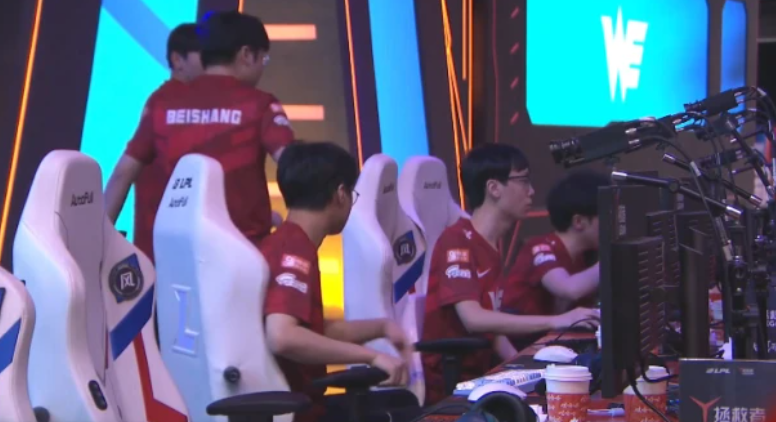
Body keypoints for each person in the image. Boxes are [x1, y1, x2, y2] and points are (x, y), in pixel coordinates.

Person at [420, 144, 600, 405]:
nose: (532, 191)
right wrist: (558, 320)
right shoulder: (457, 241)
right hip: (453, 390)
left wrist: (525, 370)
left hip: (484, 378)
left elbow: (494, 333)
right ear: (494, 188)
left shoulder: (491, 245)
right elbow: (474, 319)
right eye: (523, 180)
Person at [104, 11, 293, 254]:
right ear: (246, 54)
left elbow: (122, 174)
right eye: (263, 59)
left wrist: (96, 242)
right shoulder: (260, 105)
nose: (262, 68)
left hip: (168, 256)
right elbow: (293, 166)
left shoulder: (162, 105)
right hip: (240, 256)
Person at [262, 141, 413, 422]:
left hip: (303, 403)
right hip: (298, 412)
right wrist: (370, 357)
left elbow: (315, 329)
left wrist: (382, 327)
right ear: (341, 194)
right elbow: (282, 336)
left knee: (402, 401)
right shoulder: (293, 250)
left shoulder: (285, 242)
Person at [105, 23, 203, 260]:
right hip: (168, 248)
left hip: (167, 247)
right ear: (177, 60)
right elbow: (123, 173)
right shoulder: (168, 103)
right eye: (205, 56)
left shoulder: (160, 101)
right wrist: (96, 237)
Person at [502, 169, 609, 320]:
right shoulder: (540, 247)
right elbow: (568, 289)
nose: (612, 224)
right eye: (606, 216)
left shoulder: (583, 258)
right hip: (520, 334)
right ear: (579, 222)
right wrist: (613, 258)